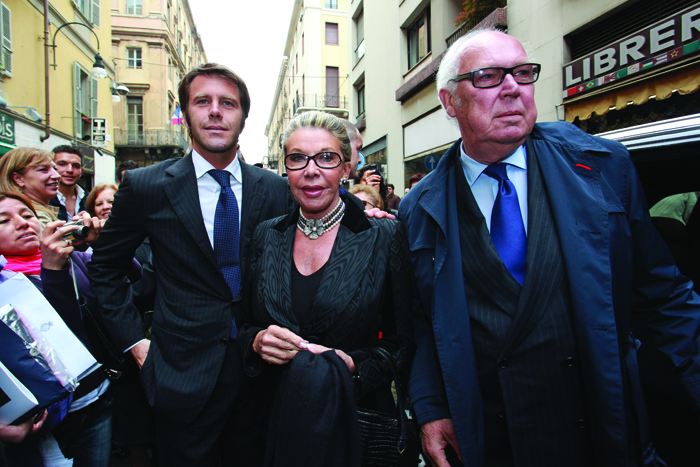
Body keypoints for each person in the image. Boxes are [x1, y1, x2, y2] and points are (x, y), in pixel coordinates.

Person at [399, 29, 700, 467]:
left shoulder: (601, 166)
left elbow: (662, 292)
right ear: (450, 101)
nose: (512, 89)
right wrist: (429, 407)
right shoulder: (418, 208)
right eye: (488, 77)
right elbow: (422, 323)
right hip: (496, 433)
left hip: (597, 422)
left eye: (523, 73)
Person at [88, 63, 293, 467]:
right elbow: (105, 269)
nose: (216, 111)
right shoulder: (147, 186)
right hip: (180, 375)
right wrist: (136, 344)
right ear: (184, 114)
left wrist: (364, 217)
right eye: (203, 101)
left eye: (228, 103)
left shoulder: (274, 188)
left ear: (243, 117)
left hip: (262, 373)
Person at [238, 111, 414, 464]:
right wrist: (256, 341)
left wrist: (357, 366)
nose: (311, 170)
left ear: (346, 168)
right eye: (298, 158)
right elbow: (243, 323)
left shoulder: (384, 235)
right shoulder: (266, 235)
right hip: (273, 422)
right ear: (285, 168)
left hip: (352, 421)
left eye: (327, 157)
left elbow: (407, 338)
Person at [0, 191, 125, 467]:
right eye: (3, 221)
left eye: (27, 215)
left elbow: (131, 278)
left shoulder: (68, 256)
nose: (22, 224)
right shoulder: (5, 282)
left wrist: (102, 245)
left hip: (94, 398)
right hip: (43, 419)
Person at [0, 148, 60, 229]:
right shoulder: (37, 218)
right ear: (18, 178)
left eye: (55, 169)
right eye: (43, 169)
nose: (57, 175)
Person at [49, 146, 86, 222]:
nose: (70, 170)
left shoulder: (90, 199)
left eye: (76, 166)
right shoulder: (43, 199)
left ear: (81, 172)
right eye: (62, 164)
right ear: (52, 167)